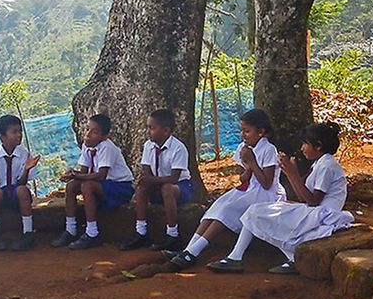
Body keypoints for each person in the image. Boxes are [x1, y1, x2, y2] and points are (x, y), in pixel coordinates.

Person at [208, 122, 352, 275]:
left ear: (318, 146)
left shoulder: (327, 166)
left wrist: (292, 174)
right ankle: (239, 257)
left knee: (257, 212)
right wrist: (291, 173)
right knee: (257, 211)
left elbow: (313, 201)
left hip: (323, 215)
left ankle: (237, 257)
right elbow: (303, 198)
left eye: (305, 144)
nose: (302, 148)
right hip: (315, 212)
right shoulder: (319, 163)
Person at [168, 109, 284, 269]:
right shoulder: (244, 148)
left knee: (226, 211)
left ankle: (194, 251)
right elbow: (243, 178)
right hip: (249, 190)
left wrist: (252, 162)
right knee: (217, 206)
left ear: (261, 132)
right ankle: (189, 248)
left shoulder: (268, 149)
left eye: (247, 131)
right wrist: (248, 166)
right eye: (242, 130)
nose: (243, 135)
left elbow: (266, 183)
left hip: (266, 194)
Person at [52, 114, 135, 250]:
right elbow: (84, 172)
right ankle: (70, 229)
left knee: (87, 186)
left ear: (104, 136)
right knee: (72, 186)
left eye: (94, 132)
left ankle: (92, 233)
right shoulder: (87, 146)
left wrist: (77, 176)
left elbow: (101, 175)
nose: (88, 134)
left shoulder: (107, 147)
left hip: (120, 188)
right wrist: (72, 175)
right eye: (87, 129)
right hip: (103, 185)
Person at [120, 109, 194, 252]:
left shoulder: (178, 148)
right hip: (159, 183)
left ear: (166, 131)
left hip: (181, 186)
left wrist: (149, 179)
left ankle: (173, 235)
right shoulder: (149, 145)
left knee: (167, 188)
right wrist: (145, 180)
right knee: (142, 189)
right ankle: (141, 231)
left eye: (152, 128)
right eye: (147, 127)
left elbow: (174, 178)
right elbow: (147, 171)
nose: (148, 131)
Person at [0, 114, 40, 251]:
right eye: (14, 132)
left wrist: (26, 169)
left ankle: (28, 232)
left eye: (19, 131)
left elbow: (21, 183)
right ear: (2, 137)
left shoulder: (24, 154)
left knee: (22, 190)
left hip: (16, 192)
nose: (19, 135)